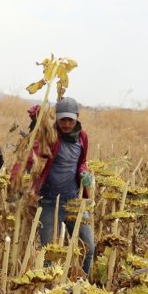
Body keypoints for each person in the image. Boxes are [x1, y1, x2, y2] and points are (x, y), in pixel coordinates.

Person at [24, 97, 95, 274]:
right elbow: (28, 159)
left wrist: (84, 173)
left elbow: (82, 161)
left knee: (88, 248)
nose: (66, 124)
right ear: (56, 118)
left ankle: (81, 284)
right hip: (49, 201)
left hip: (73, 200)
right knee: (48, 253)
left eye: (70, 119)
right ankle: (48, 291)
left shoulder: (82, 137)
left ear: (77, 117)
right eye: (62, 119)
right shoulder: (49, 136)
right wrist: (21, 180)